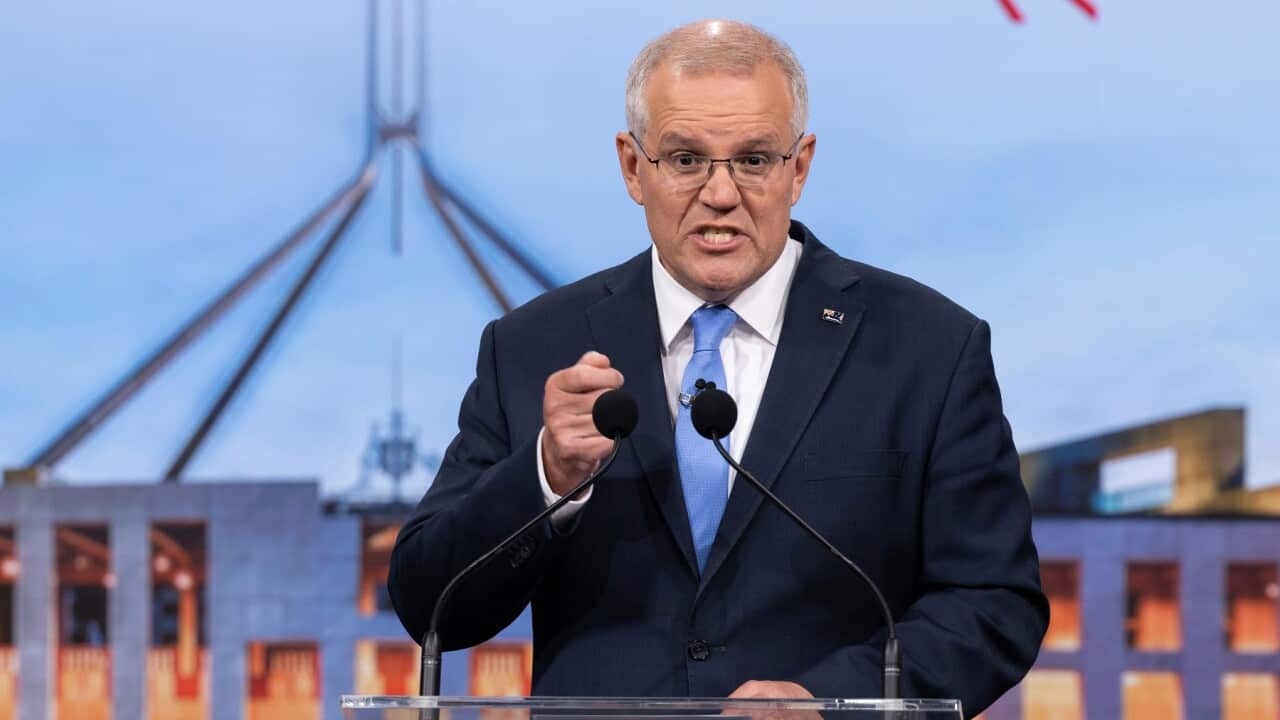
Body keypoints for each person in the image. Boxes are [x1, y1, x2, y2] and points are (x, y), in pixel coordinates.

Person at [389, 19, 1048, 716]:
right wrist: (546, 474)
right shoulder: (531, 346)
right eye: (685, 159)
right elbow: (430, 602)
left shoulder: (928, 348)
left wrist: (825, 701)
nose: (721, 194)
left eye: (755, 159)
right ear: (631, 166)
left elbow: (994, 602)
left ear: (800, 167)